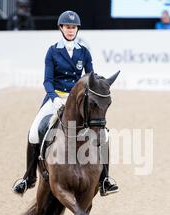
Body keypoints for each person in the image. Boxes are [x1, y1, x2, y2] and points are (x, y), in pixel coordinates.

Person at [12, 10, 119, 197]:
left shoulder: (83, 52)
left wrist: (97, 89)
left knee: (104, 136)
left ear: (77, 29)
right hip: (56, 98)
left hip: (77, 99)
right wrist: (54, 98)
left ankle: (105, 180)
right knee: (33, 132)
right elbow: (47, 81)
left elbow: (90, 78)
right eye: (68, 27)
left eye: (74, 27)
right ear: (61, 28)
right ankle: (29, 177)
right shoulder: (52, 51)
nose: (71, 30)